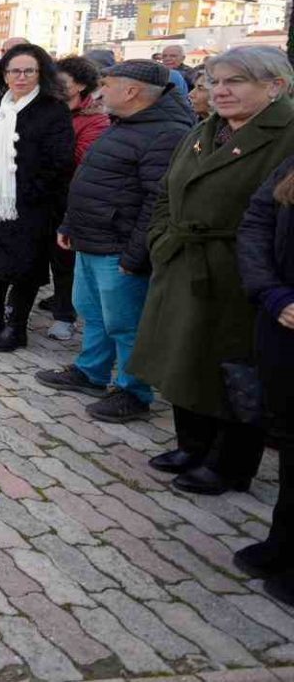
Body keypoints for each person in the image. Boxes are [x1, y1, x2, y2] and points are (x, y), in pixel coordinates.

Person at [130, 47, 294, 495]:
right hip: (183, 260)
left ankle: (230, 465)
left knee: (232, 369)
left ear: (275, 86)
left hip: (241, 272)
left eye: (235, 81)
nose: (220, 91)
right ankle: (193, 446)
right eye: (214, 81)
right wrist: (161, 238)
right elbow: (167, 190)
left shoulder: (286, 133)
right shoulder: (206, 129)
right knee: (182, 358)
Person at [35, 61, 195, 422]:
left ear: (132, 90)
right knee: (92, 312)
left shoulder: (166, 133)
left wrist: (135, 254)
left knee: (125, 324)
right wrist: (70, 223)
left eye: (107, 85)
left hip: (120, 247)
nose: (100, 92)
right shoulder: (125, 123)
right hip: (91, 237)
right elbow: (91, 179)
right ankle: (91, 371)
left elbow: (157, 201)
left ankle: (133, 392)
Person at [0, 44, 75, 352]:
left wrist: (28, 192)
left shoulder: (52, 109)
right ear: (4, 74)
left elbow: (60, 162)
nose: (21, 77)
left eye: (28, 71)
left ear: (41, 74)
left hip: (31, 205)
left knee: (25, 266)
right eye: (14, 71)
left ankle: (16, 326)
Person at [235, 155, 294, 604]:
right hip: (282, 319)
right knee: (289, 434)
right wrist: (271, 292)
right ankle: (284, 542)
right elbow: (256, 221)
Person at [40, 56, 111, 341]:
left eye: (63, 81)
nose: (55, 86)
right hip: (39, 194)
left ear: (80, 85)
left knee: (64, 259)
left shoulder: (95, 119)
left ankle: (64, 316)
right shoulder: (47, 110)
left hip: (68, 198)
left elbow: (81, 159)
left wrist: (45, 149)